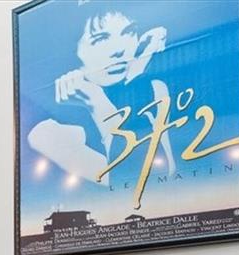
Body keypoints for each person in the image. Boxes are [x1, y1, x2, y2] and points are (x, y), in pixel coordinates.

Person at [27, 2, 170, 186]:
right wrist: (96, 102)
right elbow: (134, 179)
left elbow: (169, 171)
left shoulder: (154, 88)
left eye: (129, 32)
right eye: (101, 39)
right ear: (72, 53)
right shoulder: (46, 130)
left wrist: (137, 71)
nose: (120, 50)